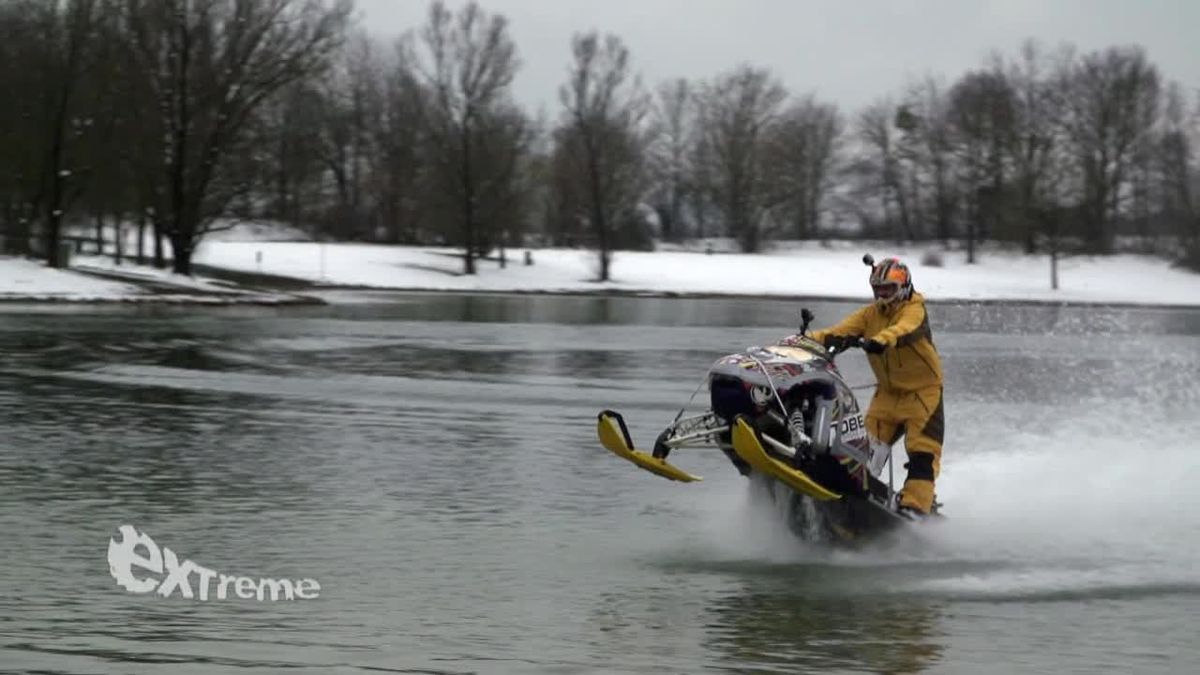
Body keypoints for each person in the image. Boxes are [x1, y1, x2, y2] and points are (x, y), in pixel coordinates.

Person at [807, 257, 944, 515]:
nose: (882, 296)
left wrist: (881, 340)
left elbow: (904, 329)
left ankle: (916, 506)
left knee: (923, 453)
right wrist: (804, 340)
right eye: (877, 289)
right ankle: (853, 493)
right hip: (887, 396)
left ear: (903, 287)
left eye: (888, 290)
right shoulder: (870, 315)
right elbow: (839, 331)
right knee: (860, 449)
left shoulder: (915, 309)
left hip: (924, 395)